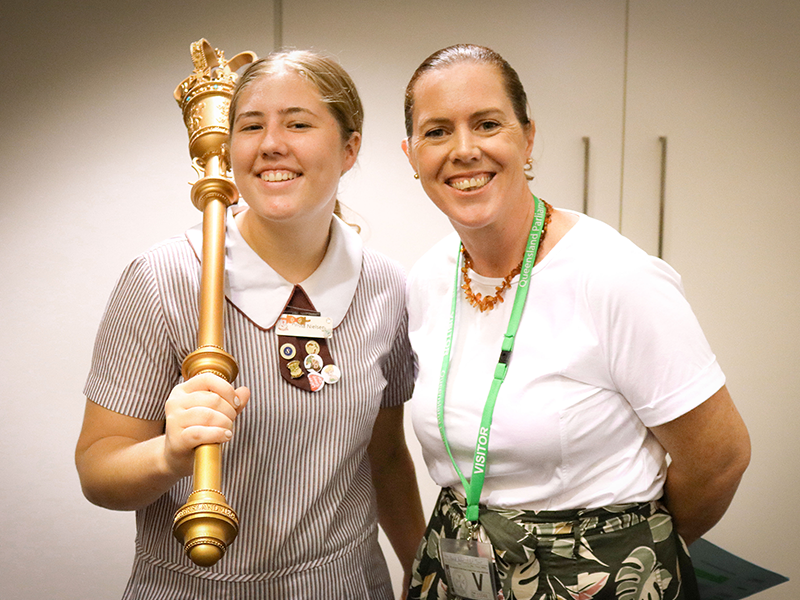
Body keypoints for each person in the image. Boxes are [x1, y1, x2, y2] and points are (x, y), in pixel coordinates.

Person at [401, 44, 750, 600]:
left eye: (487, 124)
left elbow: (721, 458)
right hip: (458, 564)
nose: (463, 150)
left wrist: (626, 549)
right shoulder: (427, 278)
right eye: (437, 131)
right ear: (411, 153)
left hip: (596, 575)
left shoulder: (613, 276)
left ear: (527, 137)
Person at [75, 49, 425, 599]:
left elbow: (383, 458)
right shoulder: (164, 279)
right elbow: (98, 470)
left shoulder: (387, 288)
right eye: (251, 126)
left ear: (350, 147)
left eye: (299, 123)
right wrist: (168, 455)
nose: (270, 145)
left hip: (346, 585)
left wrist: (420, 569)